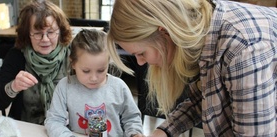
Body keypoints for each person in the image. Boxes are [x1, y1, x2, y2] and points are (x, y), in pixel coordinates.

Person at [107, 0, 277, 136]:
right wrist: (162, 132)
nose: (141, 62)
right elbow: (204, 100)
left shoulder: (242, 49)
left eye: (141, 53)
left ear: (165, 33)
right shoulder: (202, 36)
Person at [44, 29, 143, 137]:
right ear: (73, 63)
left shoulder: (119, 87)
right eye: (86, 71)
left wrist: (135, 133)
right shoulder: (65, 86)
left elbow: (132, 118)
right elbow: (54, 121)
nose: (94, 78)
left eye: (101, 70)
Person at [0, 0, 72, 125]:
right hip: (26, 127)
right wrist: (13, 86)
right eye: (38, 33)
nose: (45, 39)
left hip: (65, 129)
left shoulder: (72, 54)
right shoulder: (17, 56)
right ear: (28, 34)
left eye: (50, 32)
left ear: (60, 31)